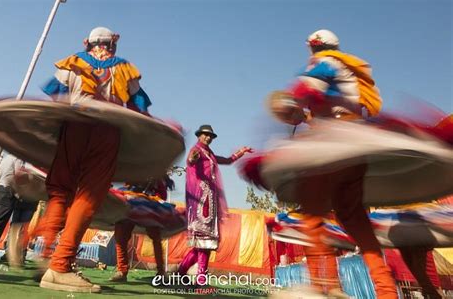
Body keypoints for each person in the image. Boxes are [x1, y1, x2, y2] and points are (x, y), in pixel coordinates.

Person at [268, 29, 397, 298]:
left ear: (313, 47)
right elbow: (334, 108)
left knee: (312, 215)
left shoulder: (322, 63)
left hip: (331, 147)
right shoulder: (350, 73)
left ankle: (322, 287)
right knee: (354, 219)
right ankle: (386, 292)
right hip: (356, 148)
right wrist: (303, 117)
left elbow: (304, 92)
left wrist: (286, 109)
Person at [38, 26, 150, 293]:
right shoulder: (123, 68)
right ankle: (60, 265)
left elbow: (56, 97)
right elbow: (139, 106)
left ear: (87, 43)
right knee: (89, 194)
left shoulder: (72, 62)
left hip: (74, 126)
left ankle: (45, 257)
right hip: (106, 130)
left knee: (60, 188)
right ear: (114, 44)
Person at [177, 125, 252, 285]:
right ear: (199, 135)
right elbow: (191, 162)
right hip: (201, 202)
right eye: (205, 135)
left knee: (202, 245)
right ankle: (200, 281)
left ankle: (181, 272)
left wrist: (241, 152)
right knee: (204, 243)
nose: (208, 138)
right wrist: (192, 159)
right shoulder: (196, 150)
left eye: (210, 136)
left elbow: (227, 160)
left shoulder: (209, 153)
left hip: (210, 202)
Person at [109, 177, 173, 282]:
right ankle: (121, 271)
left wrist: (152, 200)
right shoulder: (136, 170)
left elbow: (162, 195)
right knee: (120, 234)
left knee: (156, 236)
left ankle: (161, 272)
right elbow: (127, 183)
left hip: (150, 205)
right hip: (130, 203)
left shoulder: (158, 176)